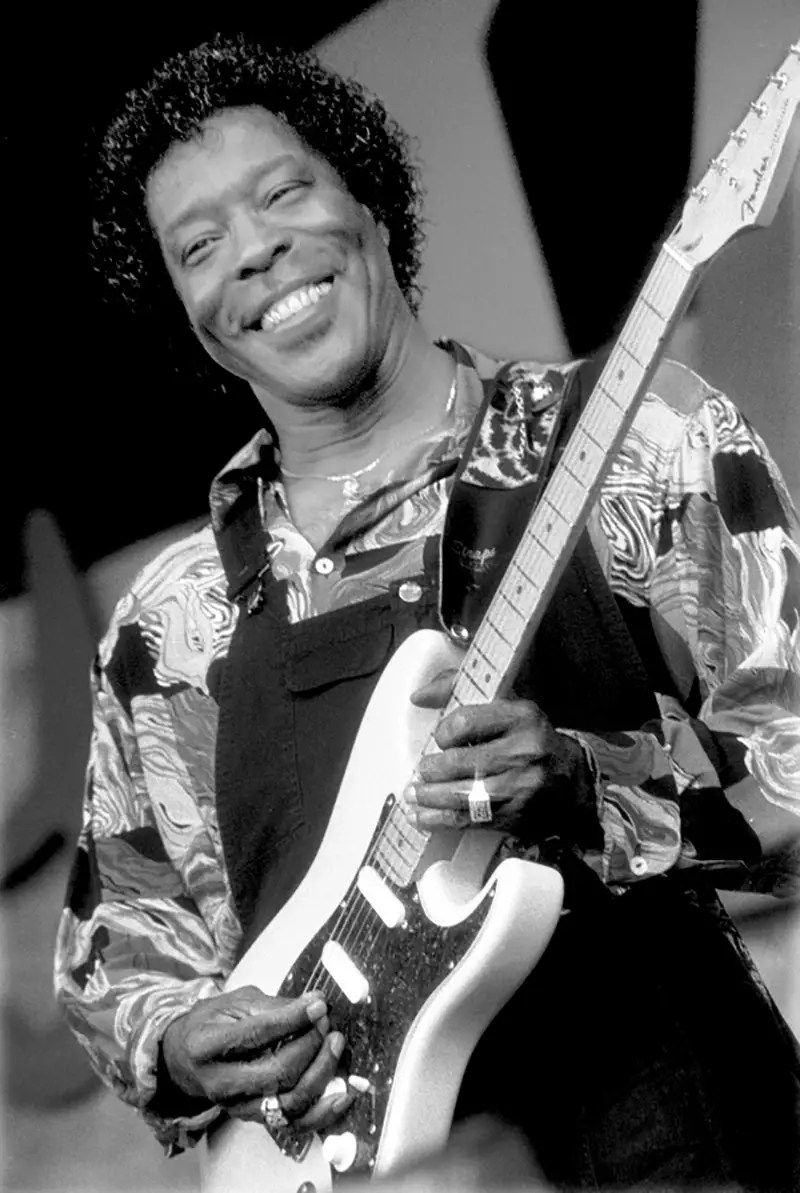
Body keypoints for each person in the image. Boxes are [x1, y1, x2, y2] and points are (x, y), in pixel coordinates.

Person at [55, 32, 800, 1192]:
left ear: (368, 197)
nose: (256, 250)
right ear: (188, 311)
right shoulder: (169, 625)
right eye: (200, 246)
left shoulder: (635, 442)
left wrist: (595, 790)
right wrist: (186, 1044)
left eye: (284, 190)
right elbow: (122, 960)